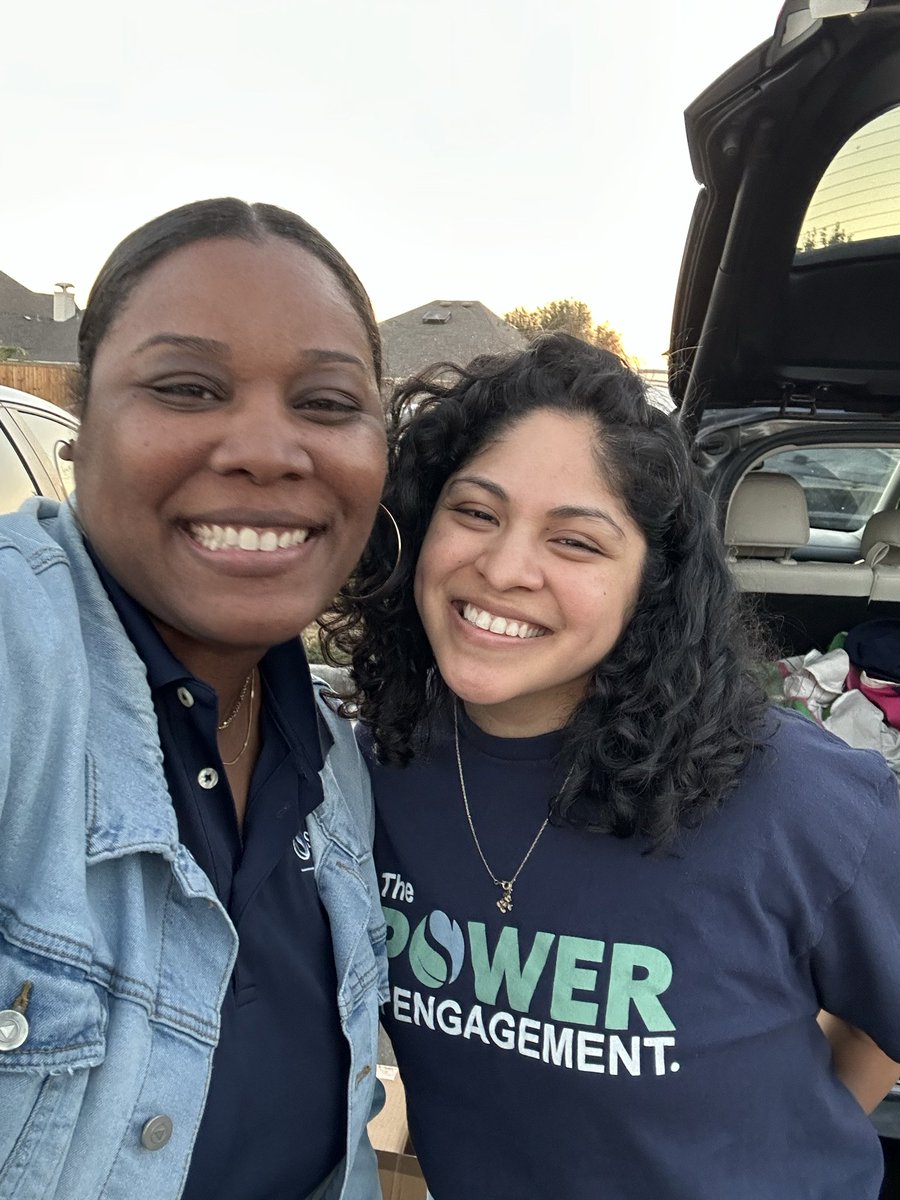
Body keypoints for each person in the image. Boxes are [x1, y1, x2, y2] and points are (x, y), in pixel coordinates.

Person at [327, 334, 900, 1199]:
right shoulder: (366, 776)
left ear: (651, 585)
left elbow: (880, 1028)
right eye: (475, 513)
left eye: (576, 542)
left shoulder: (799, 800)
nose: (504, 569)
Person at [0, 199, 389, 1200]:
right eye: (186, 388)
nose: (267, 448)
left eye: (327, 403)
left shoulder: (333, 764)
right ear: (79, 430)